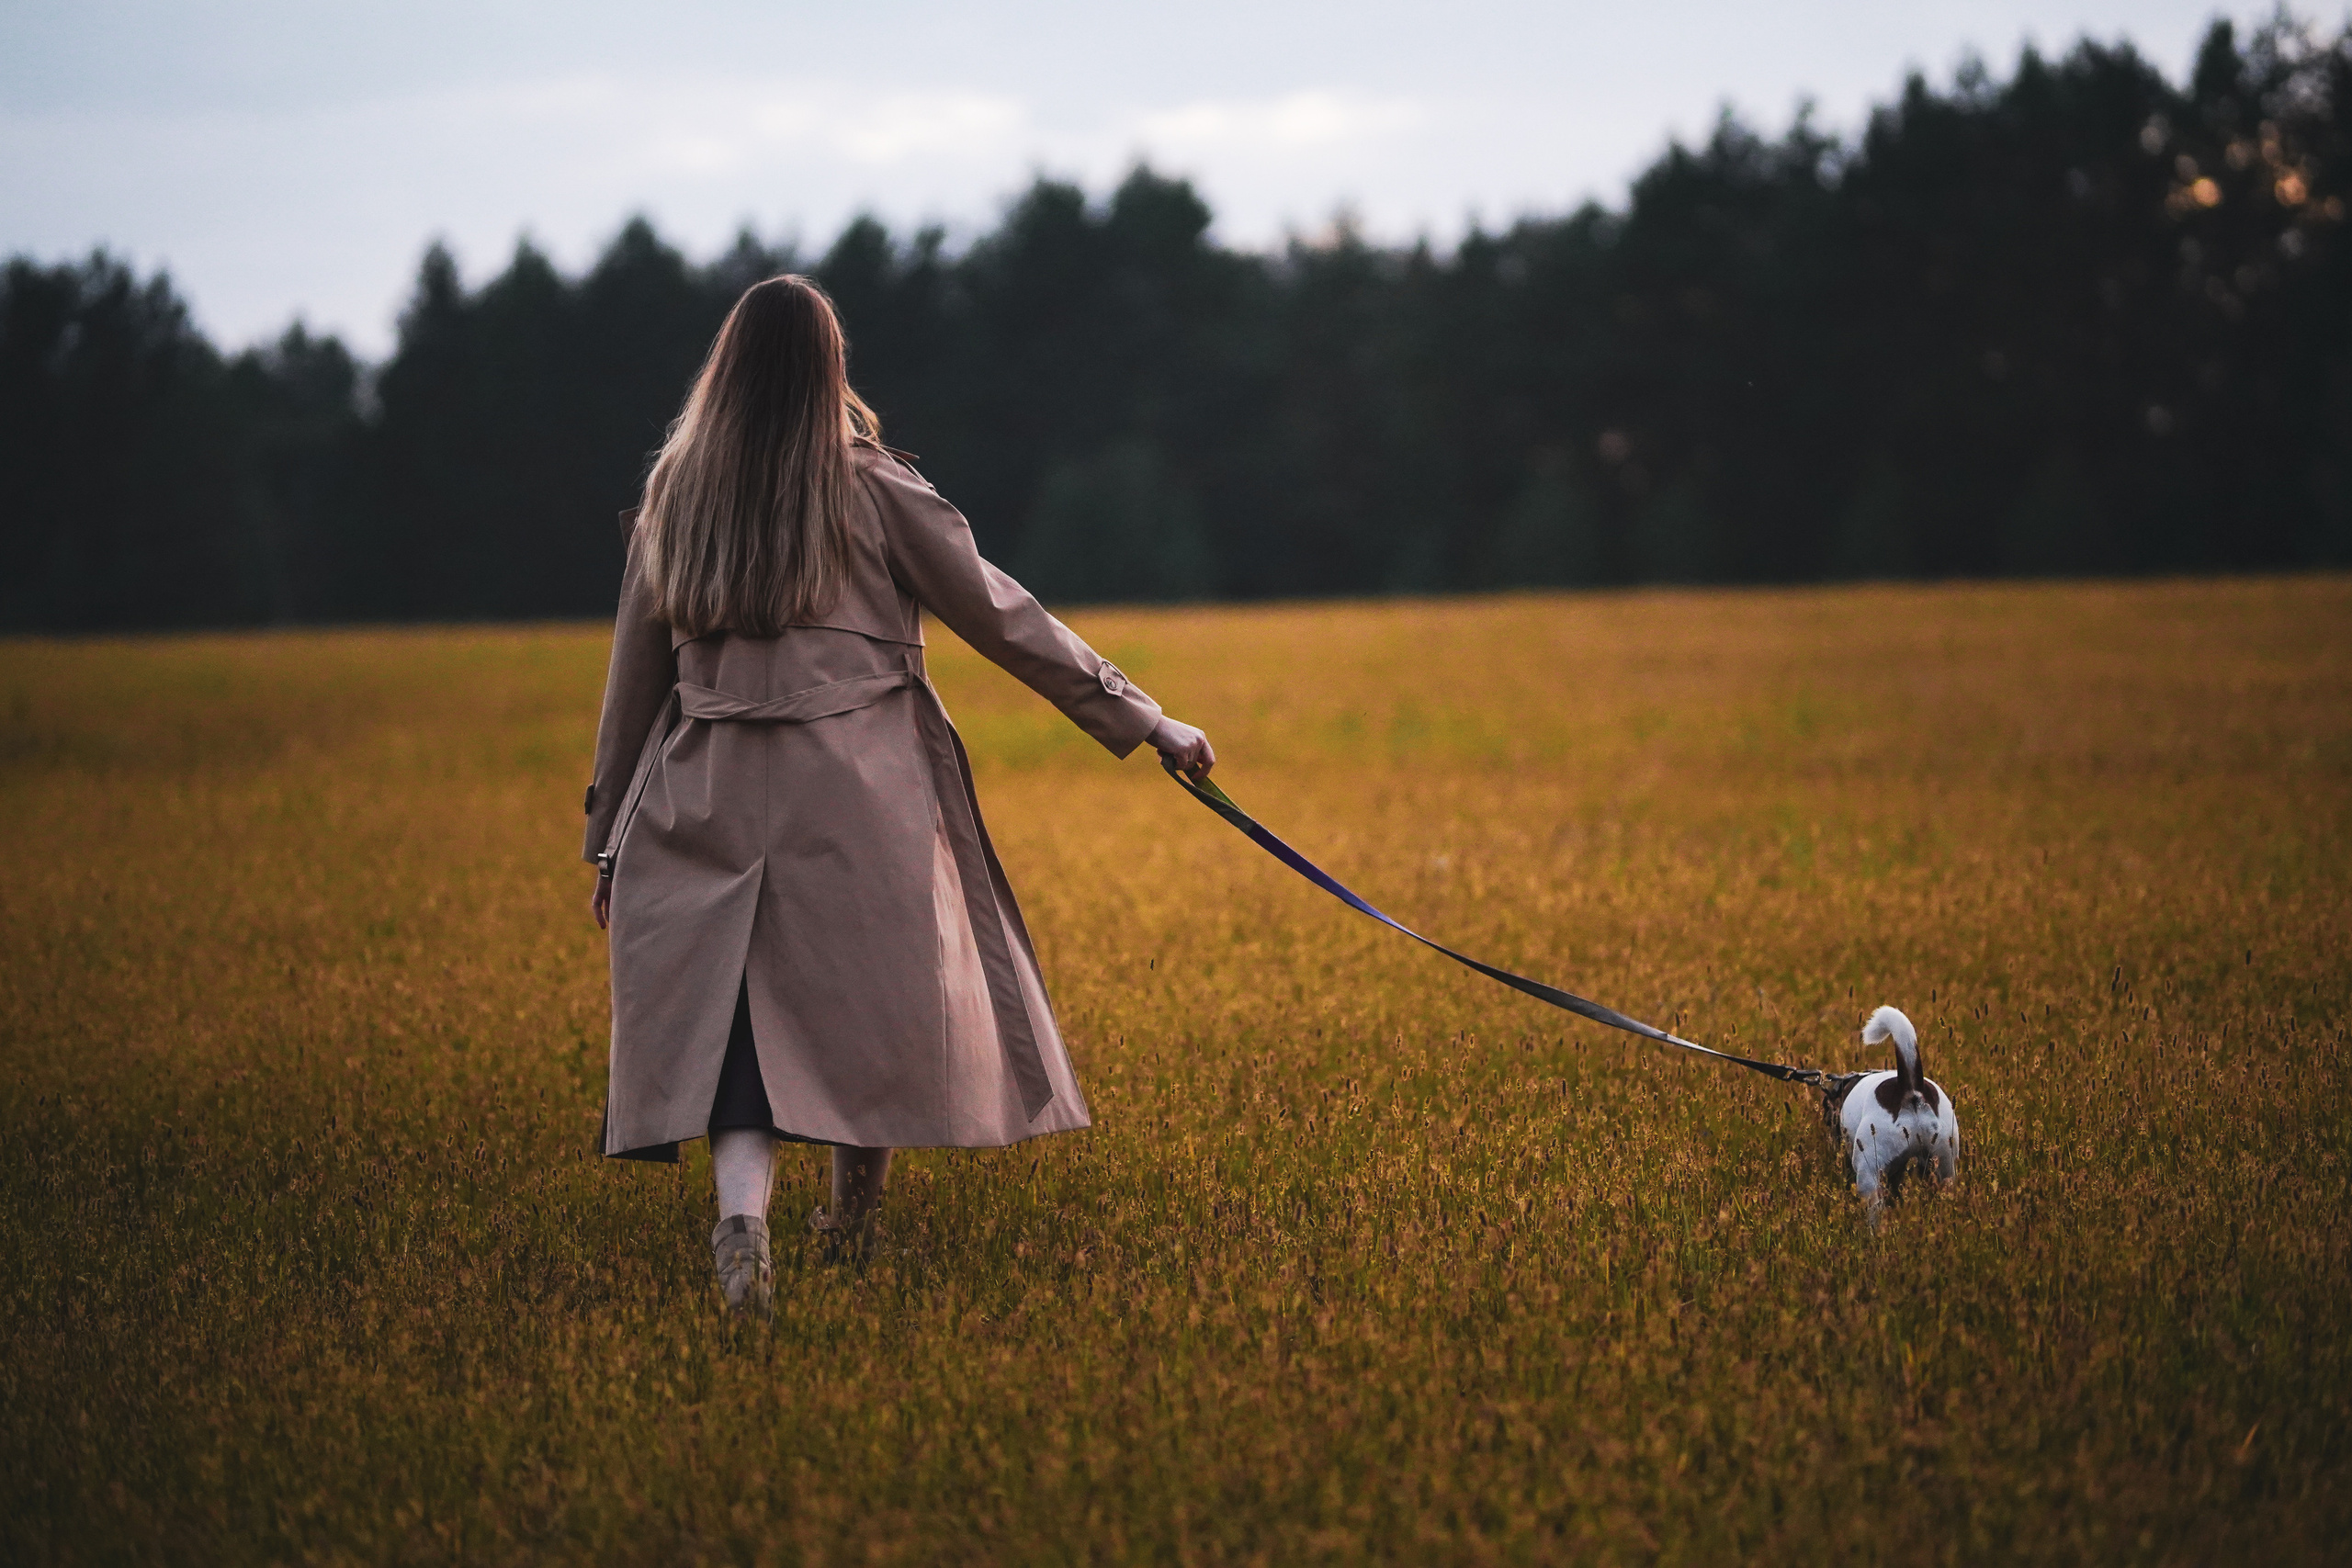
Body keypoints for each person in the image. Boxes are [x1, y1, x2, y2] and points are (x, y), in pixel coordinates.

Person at [582, 275, 1215, 1316]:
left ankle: (743, 1222)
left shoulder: (674, 495)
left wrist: (608, 836)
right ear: (831, 368)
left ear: (725, 367)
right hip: (855, 791)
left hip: (701, 794)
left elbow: (633, 684)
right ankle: (852, 1226)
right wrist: (1142, 718)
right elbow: (1003, 616)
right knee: (858, 1009)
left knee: (738, 1039)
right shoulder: (873, 487)